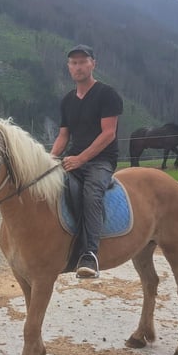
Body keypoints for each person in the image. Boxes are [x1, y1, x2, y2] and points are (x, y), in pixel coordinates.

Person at [51, 44, 123, 278]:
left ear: (93, 64)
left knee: (91, 194)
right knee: (44, 186)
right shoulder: (67, 101)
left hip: (101, 161)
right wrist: (49, 160)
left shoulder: (107, 94)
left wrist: (81, 159)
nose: (78, 66)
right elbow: (64, 135)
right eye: (73, 62)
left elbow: (108, 133)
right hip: (74, 159)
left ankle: (90, 253)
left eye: (83, 61)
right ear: (68, 67)